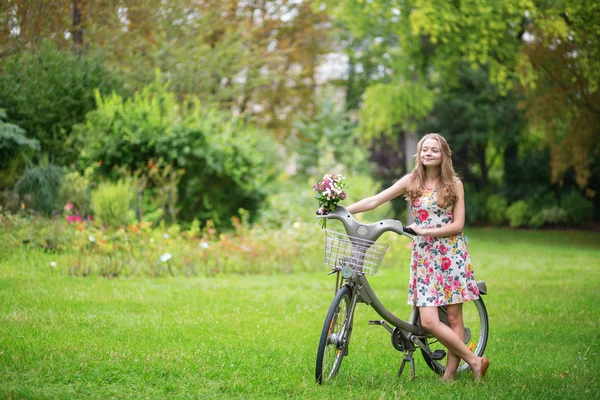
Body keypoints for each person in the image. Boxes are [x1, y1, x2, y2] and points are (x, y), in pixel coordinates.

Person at [346, 133, 490, 381]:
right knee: (430, 321)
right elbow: (376, 199)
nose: (428, 154)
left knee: (454, 317)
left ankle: (450, 374)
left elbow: (458, 226)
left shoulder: (454, 184)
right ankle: (475, 361)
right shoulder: (412, 181)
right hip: (424, 258)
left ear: (443, 154)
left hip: (451, 255)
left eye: (434, 150)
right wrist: (343, 210)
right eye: (424, 150)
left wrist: (426, 231)